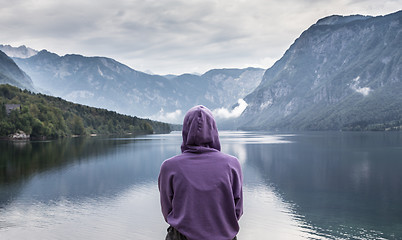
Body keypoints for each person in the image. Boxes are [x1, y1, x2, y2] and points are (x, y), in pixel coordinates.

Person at [158, 105, 243, 240]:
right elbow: (237, 210)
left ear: (185, 130)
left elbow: (167, 210)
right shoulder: (232, 164)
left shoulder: (169, 167)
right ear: (213, 130)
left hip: (181, 236)